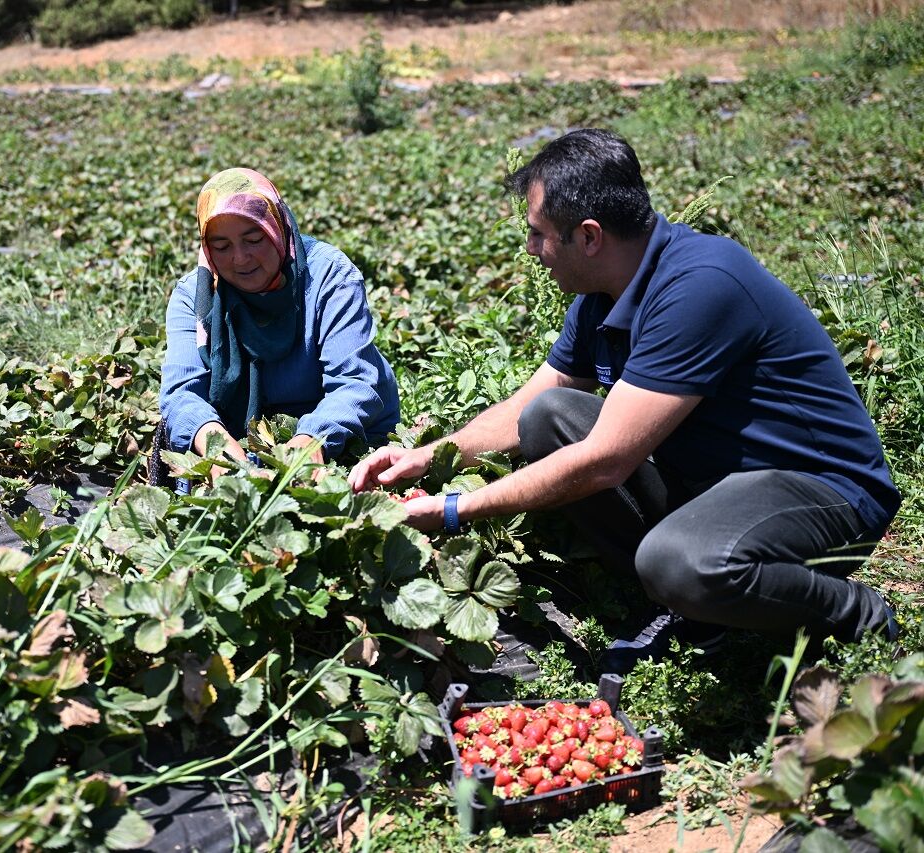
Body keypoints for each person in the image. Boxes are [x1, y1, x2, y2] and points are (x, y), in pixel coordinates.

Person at [348, 129, 900, 673]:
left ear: (589, 237)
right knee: (549, 418)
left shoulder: (700, 284)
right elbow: (532, 404)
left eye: (539, 234)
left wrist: (452, 511)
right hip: (714, 479)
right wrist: (427, 455)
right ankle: (692, 610)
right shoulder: (604, 293)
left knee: (679, 561)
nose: (531, 249)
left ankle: (855, 612)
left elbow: (606, 460)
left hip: (821, 491)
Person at [159, 167, 399, 478]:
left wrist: (309, 444)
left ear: (277, 227)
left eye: (254, 238)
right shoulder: (196, 296)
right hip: (239, 443)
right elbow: (181, 394)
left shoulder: (330, 278)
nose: (240, 258)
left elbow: (356, 383)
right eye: (221, 246)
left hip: (345, 440)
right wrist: (219, 448)